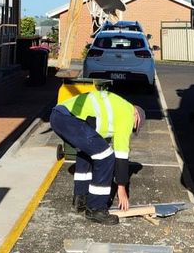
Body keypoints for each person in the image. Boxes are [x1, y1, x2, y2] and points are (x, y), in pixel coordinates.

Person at [48, 89, 144, 224]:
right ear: (137, 116)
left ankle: (81, 198)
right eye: (134, 127)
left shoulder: (118, 106)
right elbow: (121, 154)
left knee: (88, 152)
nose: (131, 130)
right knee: (106, 157)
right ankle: (96, 209)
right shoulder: (128, 113)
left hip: (58, 117)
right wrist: (121, 187)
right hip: (69, 119)